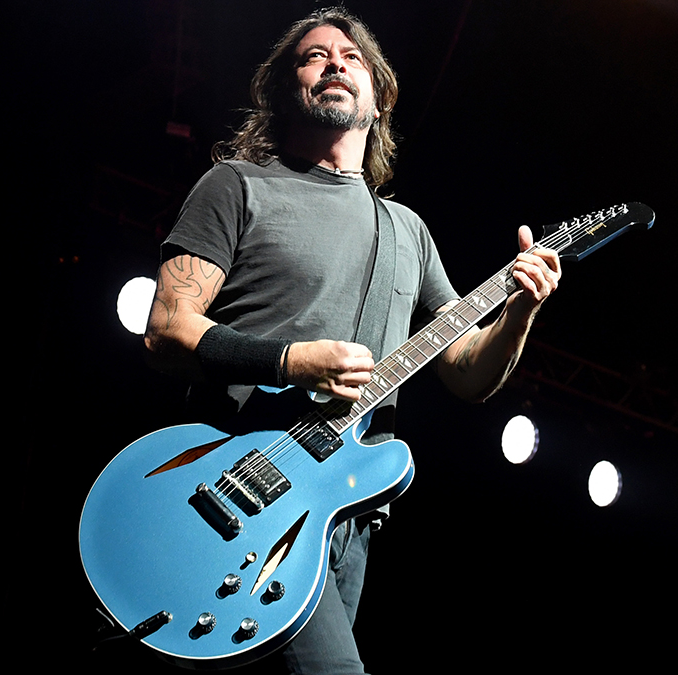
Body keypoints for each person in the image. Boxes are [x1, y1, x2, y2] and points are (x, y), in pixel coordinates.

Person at [143, 7, 560, 673]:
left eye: (352, 56)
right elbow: (167, 325)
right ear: (284, 90)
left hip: (343, 523)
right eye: (314, 56)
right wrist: (288, 360)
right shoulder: (237, 187)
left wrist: (517, 314)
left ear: (380, 93)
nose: (336, 62)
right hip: (232, 497)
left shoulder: (408, 234)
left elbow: (465, 372)